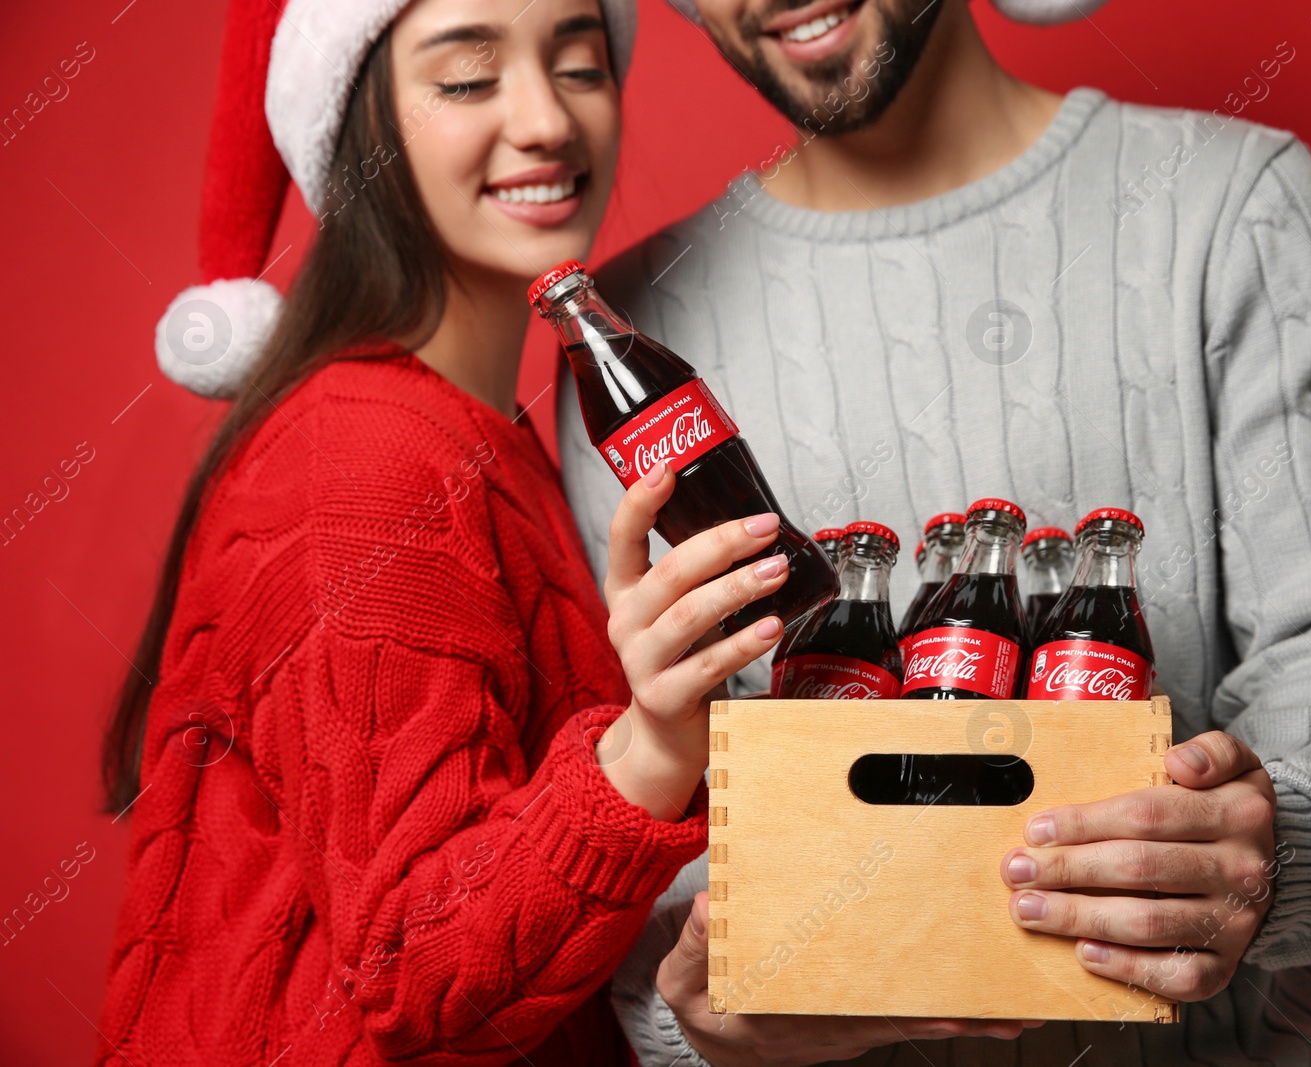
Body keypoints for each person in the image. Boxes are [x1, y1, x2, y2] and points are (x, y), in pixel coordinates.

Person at [99, 0, 1028, 1062]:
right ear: (357, 130)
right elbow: (416, 974)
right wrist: (648, 745)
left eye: (580, 67)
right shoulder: (368, 458)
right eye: (466, 79)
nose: (546, 121)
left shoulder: (481, 432)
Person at [555, 0, 1311, 1062]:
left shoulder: (1234, 206)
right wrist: (696, 1018)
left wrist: (1276, 837)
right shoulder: (623, 348)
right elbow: (649, 801)